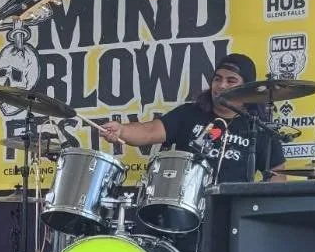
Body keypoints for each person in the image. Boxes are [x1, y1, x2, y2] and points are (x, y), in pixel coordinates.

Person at [100, 53, 287, 181]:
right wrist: (122, 130)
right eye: (217, 78)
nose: (221, 85)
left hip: (234, 213)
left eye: (231, 81)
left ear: (247, 88)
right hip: (186, 206)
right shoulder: (190, 114)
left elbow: (277, 175)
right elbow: (149, 132)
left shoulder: (258, 128)